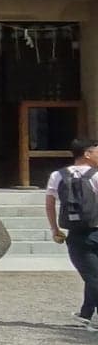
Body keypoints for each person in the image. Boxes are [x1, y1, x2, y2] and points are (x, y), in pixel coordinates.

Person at [45, 137, 98, 326]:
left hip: (76, 232)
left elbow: (50, 203)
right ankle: (86, 315)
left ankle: (85, 314)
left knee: (91, 274)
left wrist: (54, 229)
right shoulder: (96, 175)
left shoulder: (57, 175)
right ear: (87, 154)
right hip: (96, 228)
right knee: (93, 276)